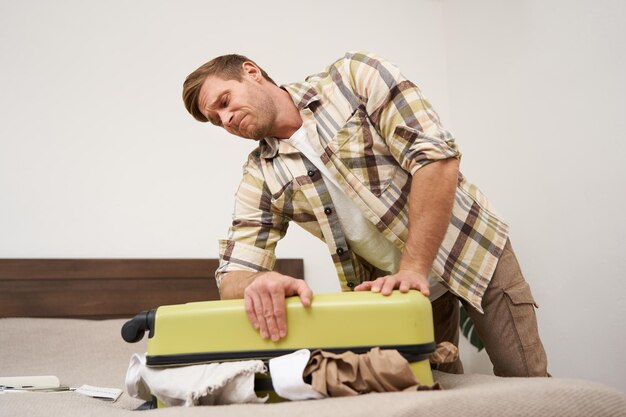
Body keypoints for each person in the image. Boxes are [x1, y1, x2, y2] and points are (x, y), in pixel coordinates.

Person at [182, 51, 548, 377]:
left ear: (251, 72)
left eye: (225, 102)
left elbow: (435, 158)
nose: (227, 120)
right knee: (430, 393)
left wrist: (414, 268)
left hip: (471, 248)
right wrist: (254, 283)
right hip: (395, 288)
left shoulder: (352, 79)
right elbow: (232, 273)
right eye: (216, 120)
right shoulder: (260, 173)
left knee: (527, 381)